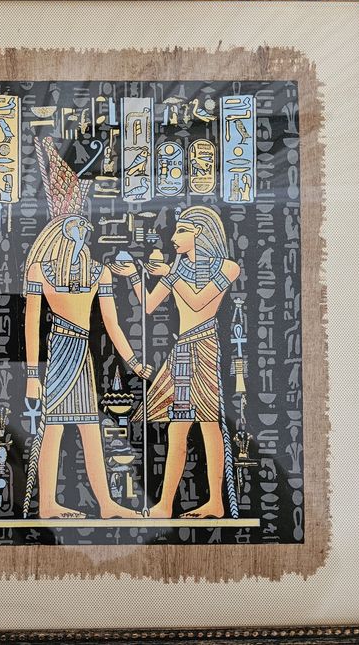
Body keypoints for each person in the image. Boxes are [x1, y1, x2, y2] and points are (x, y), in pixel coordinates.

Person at [110, 205, 240, 519]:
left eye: (182, 230)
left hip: (204, 345)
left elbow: (198, 300)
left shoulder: (227, 267)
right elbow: (148, 305)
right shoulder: (178, 268)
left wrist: (169, 274)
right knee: (177, 427)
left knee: (209, 423)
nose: (173, 237)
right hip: (182, 349)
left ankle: (215, 502)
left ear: (201, 232)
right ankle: (166, 504)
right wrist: (134, 276)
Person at [22, 214, 146, 520]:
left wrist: (132, 361)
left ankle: (106, 504)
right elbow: (31, 323)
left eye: (84, 227)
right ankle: (47, 504)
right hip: (60, 350)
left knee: (90, 427)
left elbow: (112, 323)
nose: (84, 232)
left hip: (82, 353)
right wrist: (32, 375)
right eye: (77, 227)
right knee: (53, 427)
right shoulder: (41, 270)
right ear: (63, 232)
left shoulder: (98, 272)